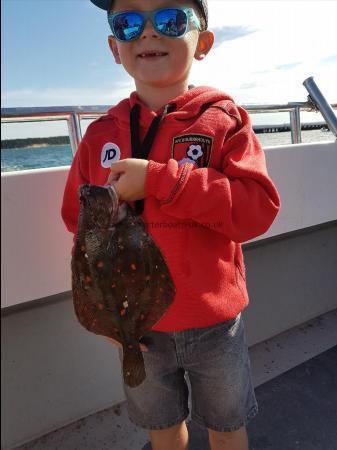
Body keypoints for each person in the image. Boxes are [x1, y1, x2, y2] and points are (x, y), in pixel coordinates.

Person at [61, 0, 281, 449]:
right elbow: (79, 228)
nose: (146, 33)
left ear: (202, 42)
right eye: (127, 23)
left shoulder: (224, 121)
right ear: (113, 47)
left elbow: (256, 209)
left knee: (227, 426)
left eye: (169, 19)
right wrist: (104, 317)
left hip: (215, 324)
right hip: (137, 331)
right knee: (161, 429)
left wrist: (162, 179)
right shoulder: (100, 135)